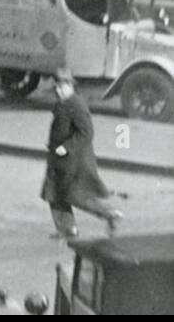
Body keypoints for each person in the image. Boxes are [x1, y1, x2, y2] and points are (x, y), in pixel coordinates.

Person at [41, 69, 123, 239]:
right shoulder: (61, 103)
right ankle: (67, 229)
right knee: (53, 192)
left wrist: (67, 147)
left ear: (71, 86)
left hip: (74, 160)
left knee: (76, 196)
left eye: (63, 87)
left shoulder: (76, 104)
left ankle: (110, 215)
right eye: (57, 86)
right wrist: (53, 144)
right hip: (58, 158)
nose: (59, 90)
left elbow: (87, 132)